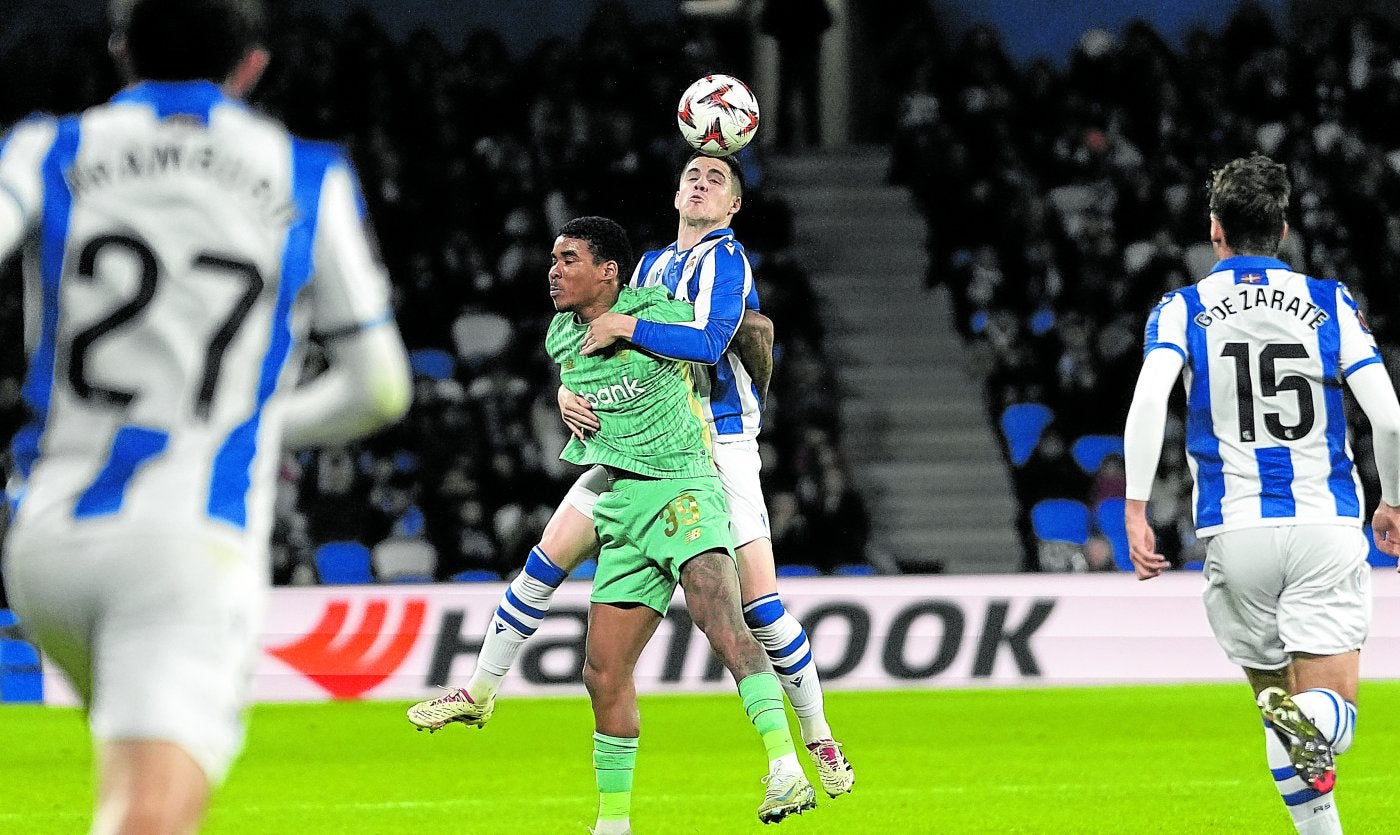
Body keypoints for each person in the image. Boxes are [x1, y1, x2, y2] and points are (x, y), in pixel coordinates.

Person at [0, 1, 412, 832]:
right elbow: (380, 389)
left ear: (122, 50)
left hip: (42, 539)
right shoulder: (306, 174)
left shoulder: (47, 146)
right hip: (186, 544)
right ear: (253, 64)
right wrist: (249, 425)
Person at [408, 152, 855, 799]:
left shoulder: (725, 261)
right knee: (547, 554)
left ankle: (818, 739)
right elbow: (597, 341)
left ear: (733, 207)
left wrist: (629, 323)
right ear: (675, 193)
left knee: (758, 605)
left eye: (717, 180)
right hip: (646, 444)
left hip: (719, 442)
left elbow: (704, 341)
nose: (701, 184)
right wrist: (567, 390)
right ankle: (478, 690)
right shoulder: (649, 266)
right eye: (692, 176)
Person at [1124, 152, 1400, 835]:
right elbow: (1390, 418)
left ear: (1214, 232)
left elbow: (1148, 399)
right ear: (1282, 230)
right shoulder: (1329, 301)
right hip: (1324, 521)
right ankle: (1309, 719)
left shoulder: (1180, 308)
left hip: (1235, 531)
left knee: (1283, 718)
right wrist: (1391, 498)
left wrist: (1135, 505)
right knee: (1328, 717)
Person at [568, 216, 816, 829]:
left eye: (567, 258)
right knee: (603, 671)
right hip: (627, 497)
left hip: (686, 481)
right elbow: (584, 376)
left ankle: (789, 764)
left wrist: (755, 365)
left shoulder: (668, 299)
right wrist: (562, 396)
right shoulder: (568, 329)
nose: (554, 270)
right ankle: (613, 823)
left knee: (725, 620)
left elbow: (732, 333)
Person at [759, 0, 833, 151]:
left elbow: (765, 22)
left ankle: (784, 139)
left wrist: (782, 31)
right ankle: (812, 139)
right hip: (808, 48)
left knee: (786, 95)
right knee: (809, 96)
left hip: (789, 48)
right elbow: (827, 20)